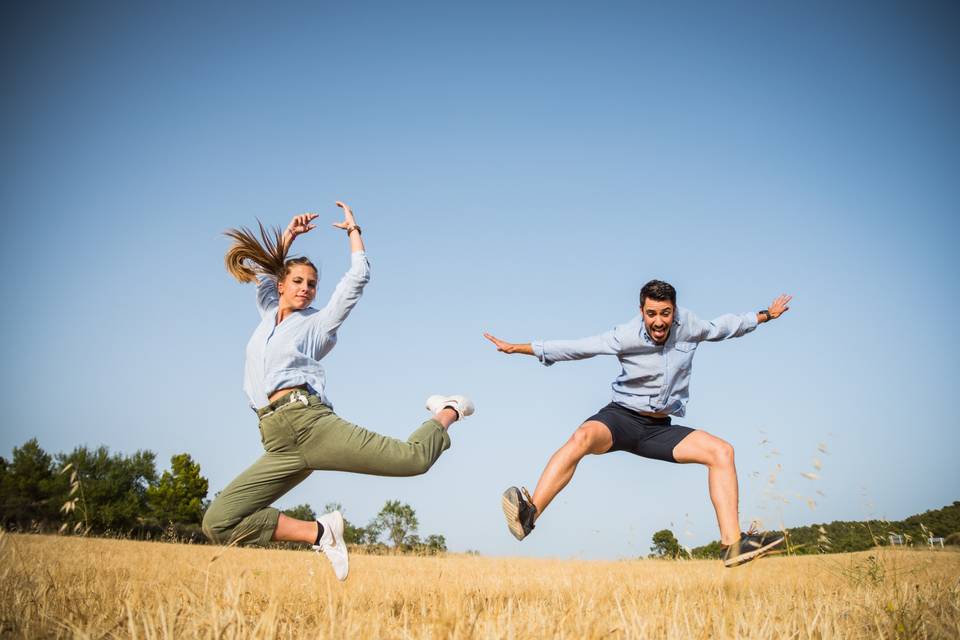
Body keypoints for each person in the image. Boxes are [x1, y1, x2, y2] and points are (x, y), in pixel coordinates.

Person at [202, 202, 474, 580]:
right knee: (218, 522)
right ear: (281, 285)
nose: (306, 288)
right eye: (297, 281)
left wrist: (353, 232)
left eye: (312, 284)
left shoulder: (318, 324)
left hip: (310, 423)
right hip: (277, 440)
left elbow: (355, 281)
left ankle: (446, 411)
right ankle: (321, 532)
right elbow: (267, 272)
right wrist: (288, 237)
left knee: (413, 460)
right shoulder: (267, 314)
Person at [484, 280, 791, 567]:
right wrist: (519, 348)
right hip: (621, 419)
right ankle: (530, 513)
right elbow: (578, 347)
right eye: (652, 314)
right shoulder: (625, 335)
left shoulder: (690, 326)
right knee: (581, 438)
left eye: (666, 313)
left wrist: (765, 315)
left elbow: (725, 326)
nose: (659, 321)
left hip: (659, 429)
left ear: (675, 311)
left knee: (722, 452)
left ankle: (733, 544)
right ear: (642, 311)